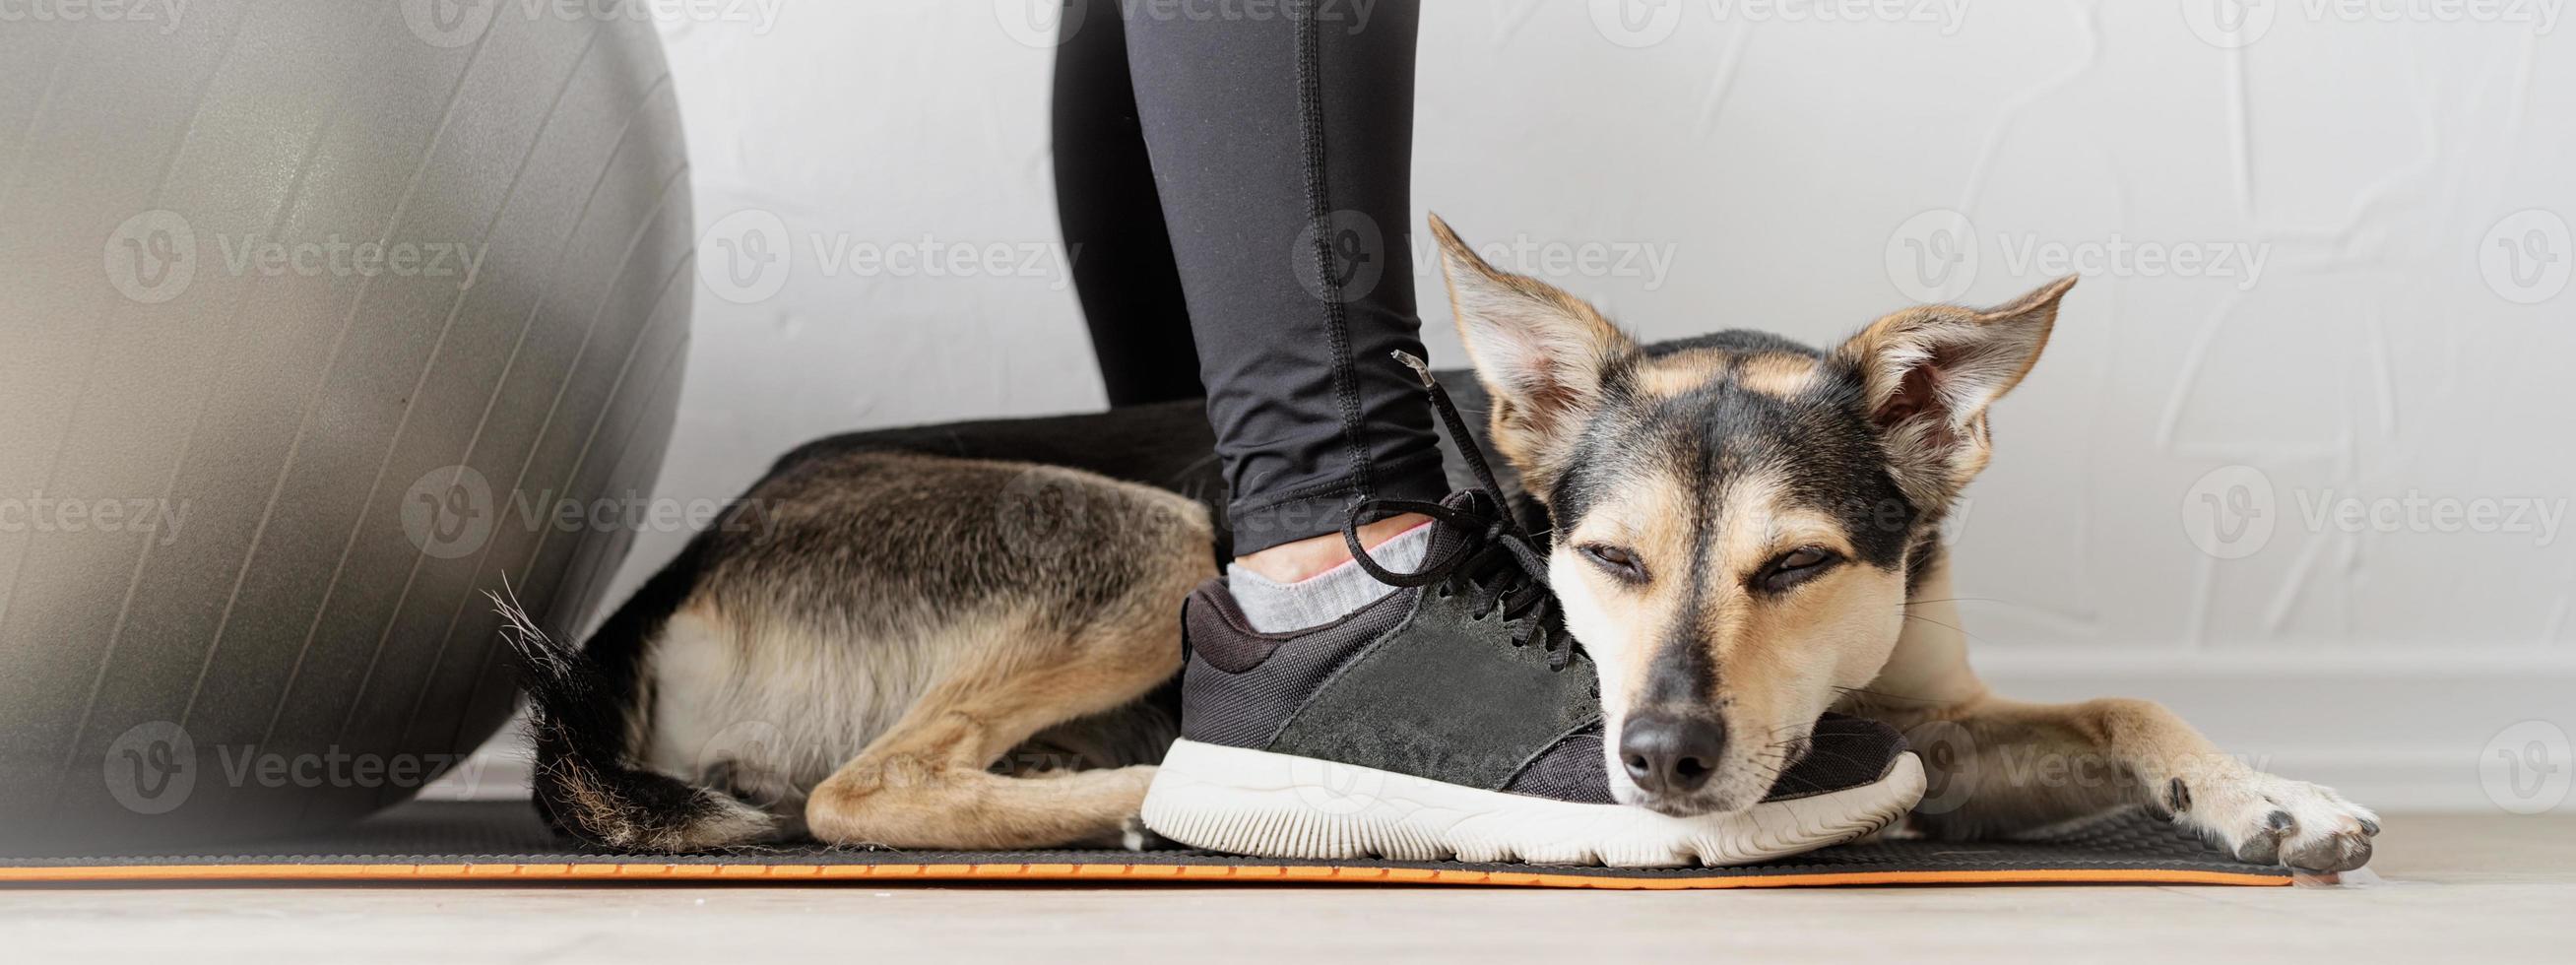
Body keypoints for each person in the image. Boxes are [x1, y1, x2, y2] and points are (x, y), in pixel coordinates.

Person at [1047, 0, 1903, 862]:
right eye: (1615, 560)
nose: (1670, 734)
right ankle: (1322, 576)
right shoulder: (1610, 438)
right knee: (1157, 542)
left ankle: (1222, 672)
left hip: (1100, 622)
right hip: (995, 553)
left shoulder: (1857, 479)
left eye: (1791, 563)